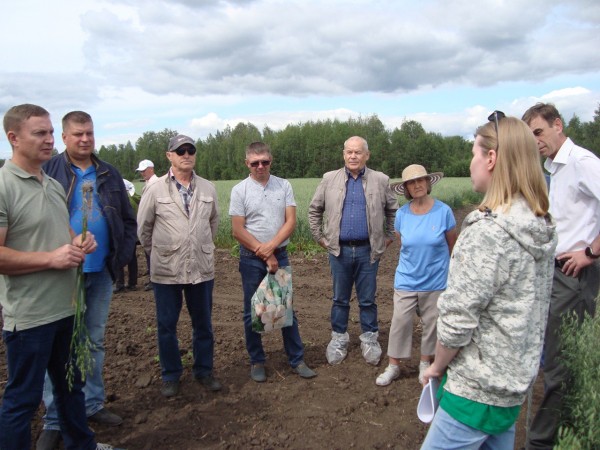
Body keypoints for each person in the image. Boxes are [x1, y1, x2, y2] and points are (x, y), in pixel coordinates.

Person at [420, 112, 557, 450]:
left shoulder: (488, 231)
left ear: (491, 158)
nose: (470, 163)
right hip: (512, 387)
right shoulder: (539, 223)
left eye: (473, 153)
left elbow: (456, 321)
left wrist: (436, 367)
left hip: (475, 392)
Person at [0, 104, 113, 450]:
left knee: (70, 388)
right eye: (41, 133)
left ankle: (84, 446)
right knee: (22, 400)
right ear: (13, 138)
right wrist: (51, 259)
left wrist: (78, 242)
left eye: (50, 132)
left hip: (66, 309)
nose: (50, 140)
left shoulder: (49, 184)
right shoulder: (4, 185)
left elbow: (62, 237)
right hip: (31, 315)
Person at [38, 111, 137, 449]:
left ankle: (92, 404)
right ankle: (54, 417)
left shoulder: (108, 173)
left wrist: (120, 259)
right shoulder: (49, 171)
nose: (85, 139)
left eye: (90, 133)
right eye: (78, 134)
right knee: (61, 348)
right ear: (64, 137)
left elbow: (128, 219)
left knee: (93, 341)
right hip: (62, 275)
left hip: (101, 273)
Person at [522, 103, 600, 449]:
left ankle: (543, 441)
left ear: (558, 125)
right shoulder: (552, 168)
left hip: (574, 276)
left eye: (538, 132)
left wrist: (590, 252)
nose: (535, 141)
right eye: (530, 136)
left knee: (559, 365)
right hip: (553, 272)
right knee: (553, 358)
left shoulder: (582, 163)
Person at [137, 134, 222, 397]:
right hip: (166, 271)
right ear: (169, 155)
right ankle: (171, 375)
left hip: (201, 267)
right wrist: (163, 253)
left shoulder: (208, 188)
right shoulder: (155, 189)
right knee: (166, 325)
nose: (186, 154)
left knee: (203, 324)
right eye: (180, 150)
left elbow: (213, 224)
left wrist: (198, 246)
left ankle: (204, 371)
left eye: (190, 150)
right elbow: (144, 230)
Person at [229, 142, 317, 382]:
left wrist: (272, 249)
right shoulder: (240, 190)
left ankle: (296, 359)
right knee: (252, 312)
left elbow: (290, 222)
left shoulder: (284, 185)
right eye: (255, 162)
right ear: (247, 163)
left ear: (271, 161)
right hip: (250, 258)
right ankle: (257, 361)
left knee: (285, 307)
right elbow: (237, 230)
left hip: (280, 254)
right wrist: (265, 252)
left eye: (265, 161)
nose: (260, 166)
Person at [308, 136, 398, 365]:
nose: (353, 156)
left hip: (369, 251)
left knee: (367, 299)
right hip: (339, 252)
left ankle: (369, 339)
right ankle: (338, 339)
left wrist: (387, 238)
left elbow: (393, 211)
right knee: (340, 299)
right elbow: (314, 210)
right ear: (343, 154)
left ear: (367, 155)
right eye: (349, 152)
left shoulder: (380, 179)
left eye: (358, 152)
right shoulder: (330, 179)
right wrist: (320, 238)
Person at [376, 165, 456, 387]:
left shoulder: (444, 212)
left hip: (436, 280)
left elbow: (452, 247)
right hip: (407, 279)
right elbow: (405, 245)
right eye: (412, 182)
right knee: (400, 322)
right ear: (407, 189)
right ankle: (393, 365)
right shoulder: (401, 215)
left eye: (421, 180)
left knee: (432, 323)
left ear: (428, 183)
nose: (417, 184)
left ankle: (424, 363)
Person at [113, 180, 141, 292]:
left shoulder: (121, 200)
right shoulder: (134, 199)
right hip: (132, 232)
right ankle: (132, 282)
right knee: (132, 257)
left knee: (119, 256)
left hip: (122, 232)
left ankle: (120, 283)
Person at [135, 159, 158, 291]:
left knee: (152, 254)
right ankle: (151, 277)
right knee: (148, 253)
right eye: (141, 171)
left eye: (144, 171)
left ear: (151, 169)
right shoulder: (148, 184)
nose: (142, 173)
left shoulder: (156, 184)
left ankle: (154, 279)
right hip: (148, 227)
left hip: (153, 227)